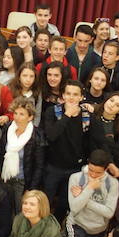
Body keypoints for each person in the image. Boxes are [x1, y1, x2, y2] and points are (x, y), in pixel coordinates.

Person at [65, 150, 119, 237]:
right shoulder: (76, 178)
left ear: (106, 169)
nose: (94, 175)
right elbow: (74, 208)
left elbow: (109, 212)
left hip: (98, 229)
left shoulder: (113, 183)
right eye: (91, 170)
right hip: (76, 224)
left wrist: (84, 198)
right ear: (88, 164)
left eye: (98, 172)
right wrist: (89, 188)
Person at [41, 80, 89, 220]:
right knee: (46, 199)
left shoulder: (86, 116)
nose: (71, 97)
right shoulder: (52, 111)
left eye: (75, 94)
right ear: (63, 95)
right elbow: (51, 135)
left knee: (64, 202)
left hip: (74, 168)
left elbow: (90, 141)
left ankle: (57, 226)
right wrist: (67, 115)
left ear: (81, 97)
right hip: (53, 166)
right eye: (68, 93)